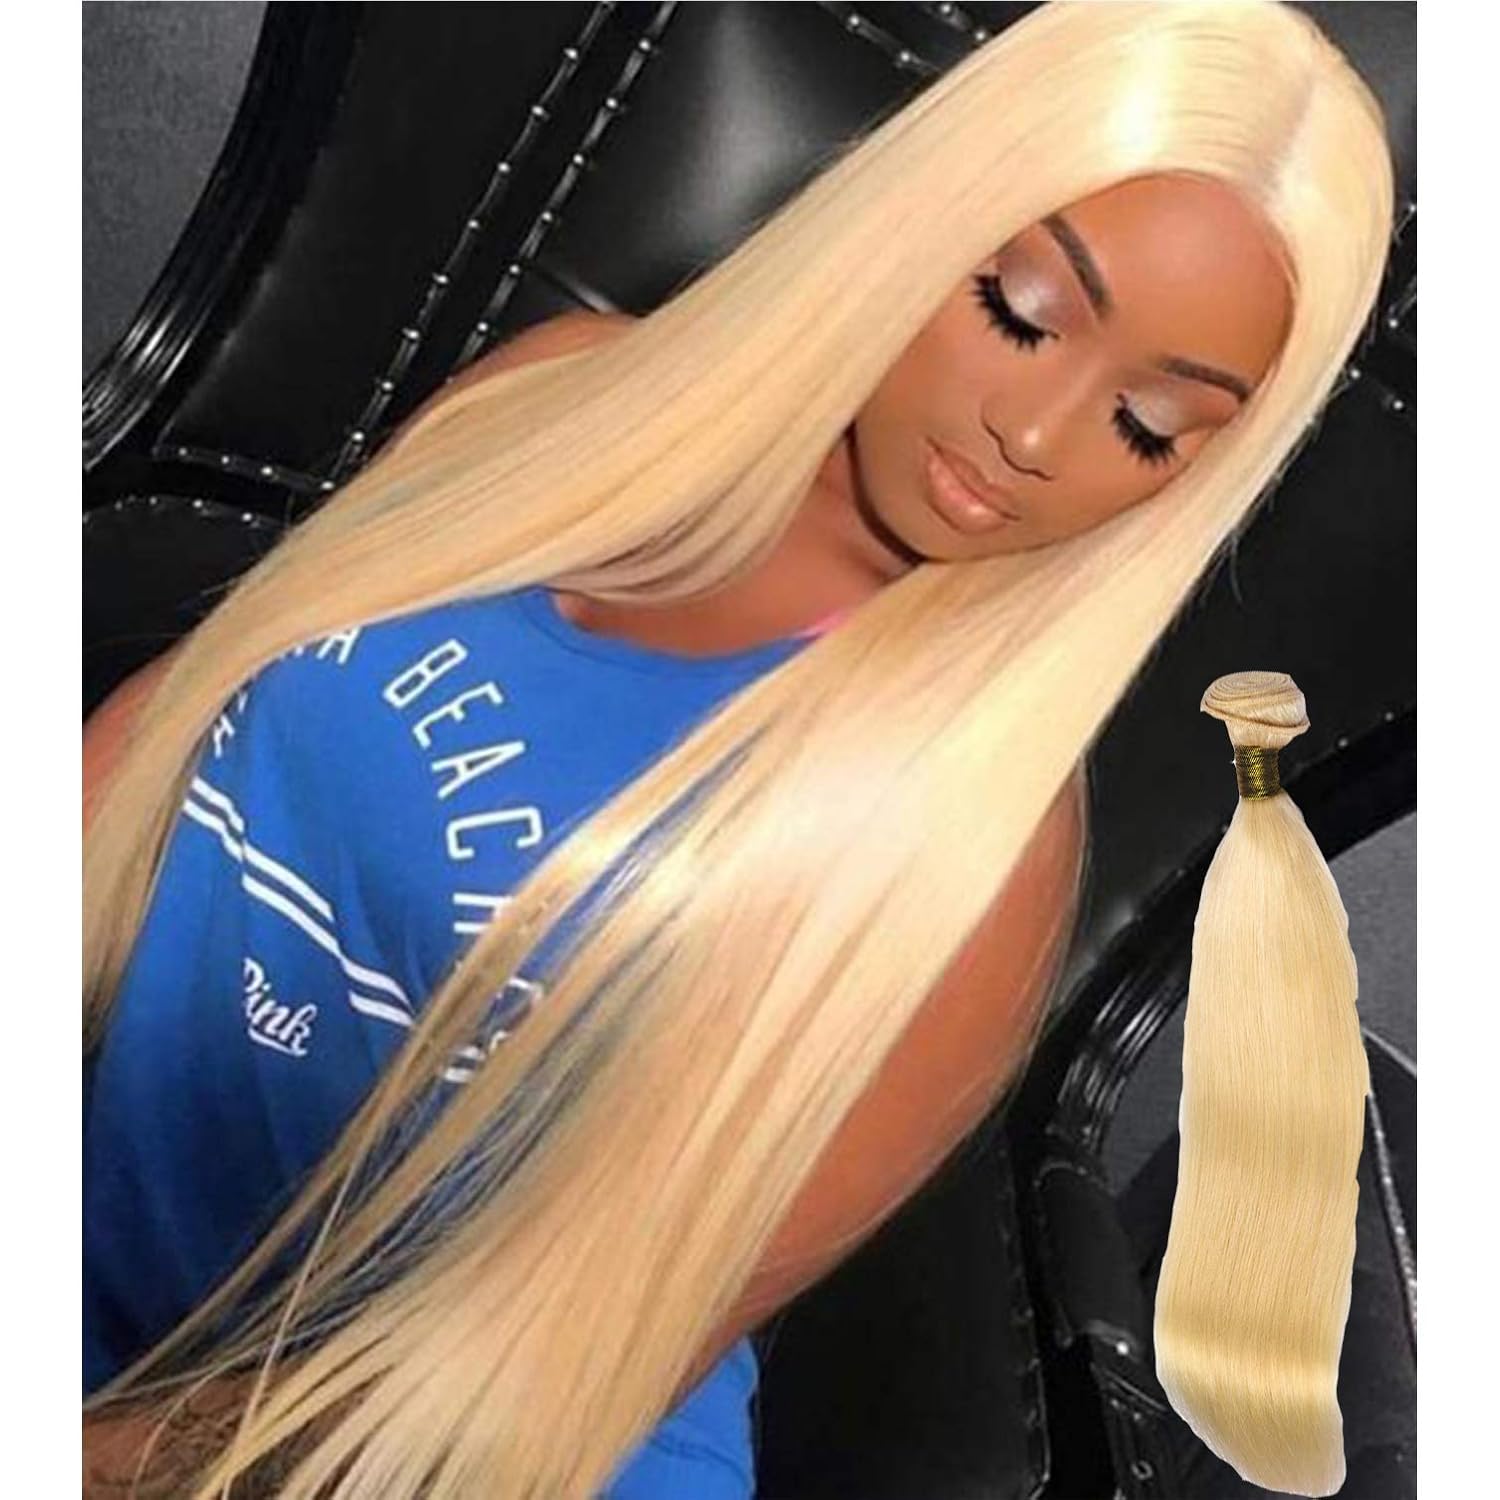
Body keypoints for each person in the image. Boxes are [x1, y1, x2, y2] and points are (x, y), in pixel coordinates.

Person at [82, 3, 1394, 1496]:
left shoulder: (968, 861)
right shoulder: (555, 403)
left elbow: (521, 1376)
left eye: (1148, 426)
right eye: (1022, 312)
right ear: (920, 218)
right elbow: (167, 741)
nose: (1033, 435)